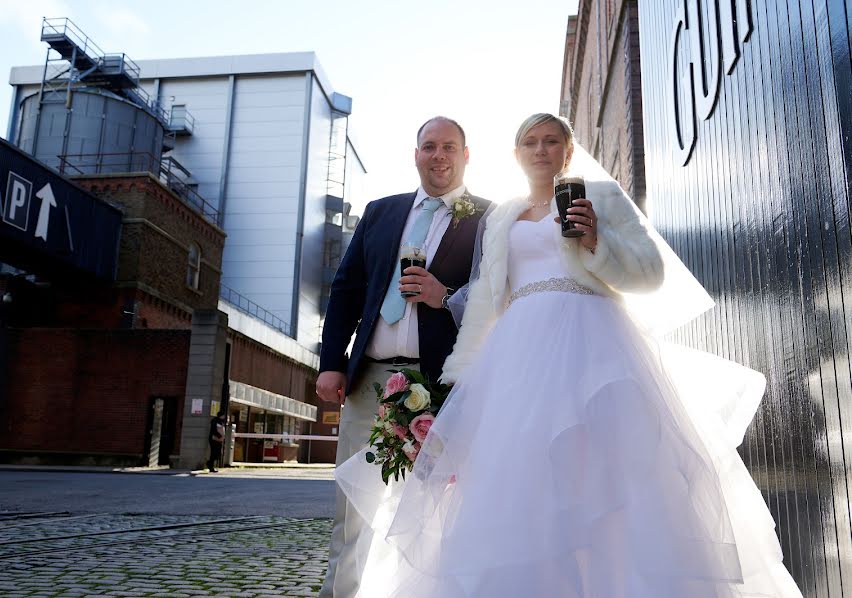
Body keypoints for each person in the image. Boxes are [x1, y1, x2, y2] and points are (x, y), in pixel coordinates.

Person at [335, 113, 803, 597]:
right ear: (516, 155)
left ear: (568, 150)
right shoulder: (501, 217)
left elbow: (650, 274)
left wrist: (597, 240)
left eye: (551, 141)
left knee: (604, 479)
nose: (541, 150)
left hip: (594, 345)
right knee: (521, 483)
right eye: (530, 142)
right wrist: (454, 342)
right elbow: (488, 295)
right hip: (518, 354)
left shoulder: (601, 198)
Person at [316, 116, 493, 598]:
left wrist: (446, 293)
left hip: (441, 385)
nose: (439, 156)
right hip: (368, 377)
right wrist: (332, 359)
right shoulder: (379, 212)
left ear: (466, 154)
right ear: (415, 153)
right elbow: (347, 288)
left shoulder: (489, 216)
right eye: (429, 146)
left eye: (449, 147)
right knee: (353, 510)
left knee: (438, 511)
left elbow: (498, 297)